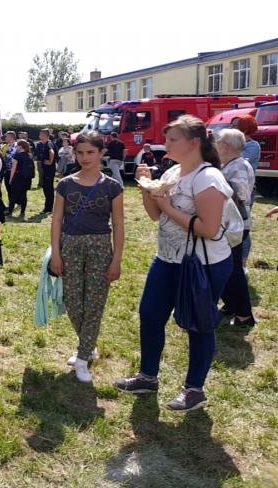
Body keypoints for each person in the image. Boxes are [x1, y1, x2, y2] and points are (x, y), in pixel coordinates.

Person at [115, 115, 233, 412]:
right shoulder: (174, 172)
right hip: (168, 259)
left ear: (194, 143)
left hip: (202, 264)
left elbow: (208, 228)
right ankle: (148, 377)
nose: (165, 143)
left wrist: (167, 206)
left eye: (172, 139)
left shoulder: (208, 178)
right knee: (150, 314)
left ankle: (194, 390)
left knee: (199, 324)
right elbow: (156, 216)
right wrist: (147, 191)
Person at [49, 131, 125, 383]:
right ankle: (88, 345)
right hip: (70, 245)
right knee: (72, 301)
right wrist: (56, 253)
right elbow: (56, 220)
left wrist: (117, 259)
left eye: (90, 152)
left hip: (100, 247)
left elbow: (119, 225)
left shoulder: (112, 187)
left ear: (102, 153)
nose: (85, 157)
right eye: (80, 152)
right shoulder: (66, 184)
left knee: (94, 303)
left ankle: (82, 358)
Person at [216, 129, 256, 327]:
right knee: (225, 266)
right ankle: (231, 305)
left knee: (232, 270)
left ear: (226, 146)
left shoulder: (239, 166)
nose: (216, 144)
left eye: (219, 141)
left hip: (235, 225)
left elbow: (241, 195)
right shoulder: (231, 164)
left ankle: (244, 315)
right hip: (229, 224)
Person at [233, 115, 260, 268]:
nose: (232, 127)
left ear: (244, 128)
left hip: (246, 190)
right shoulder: (236, 145)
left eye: (235, 125)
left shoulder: (252, 146)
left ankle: (242, 264)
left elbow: (235, 159)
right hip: (233, 189)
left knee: (243, 225)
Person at [8, 139, 34, 219]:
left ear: (20, 147)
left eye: (17, 146)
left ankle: (10, 211)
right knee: (23, 195)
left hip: (17, 177)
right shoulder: (29, 155)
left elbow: (13, 168)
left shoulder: (17, 156)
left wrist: (10, 179)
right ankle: (22, 212)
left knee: (13, 195)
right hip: (26, 178)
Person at [35, 129, 56, 214]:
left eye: (41, 134)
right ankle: (47, 206)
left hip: (49, 169)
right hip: (44, 168)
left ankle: (48, 208)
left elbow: (52, 152)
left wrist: (50, 161)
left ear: (45, 135)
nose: (39, 136)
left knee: (49, 188)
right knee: (44, 186)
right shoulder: (40, 144)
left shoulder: (49, 143)